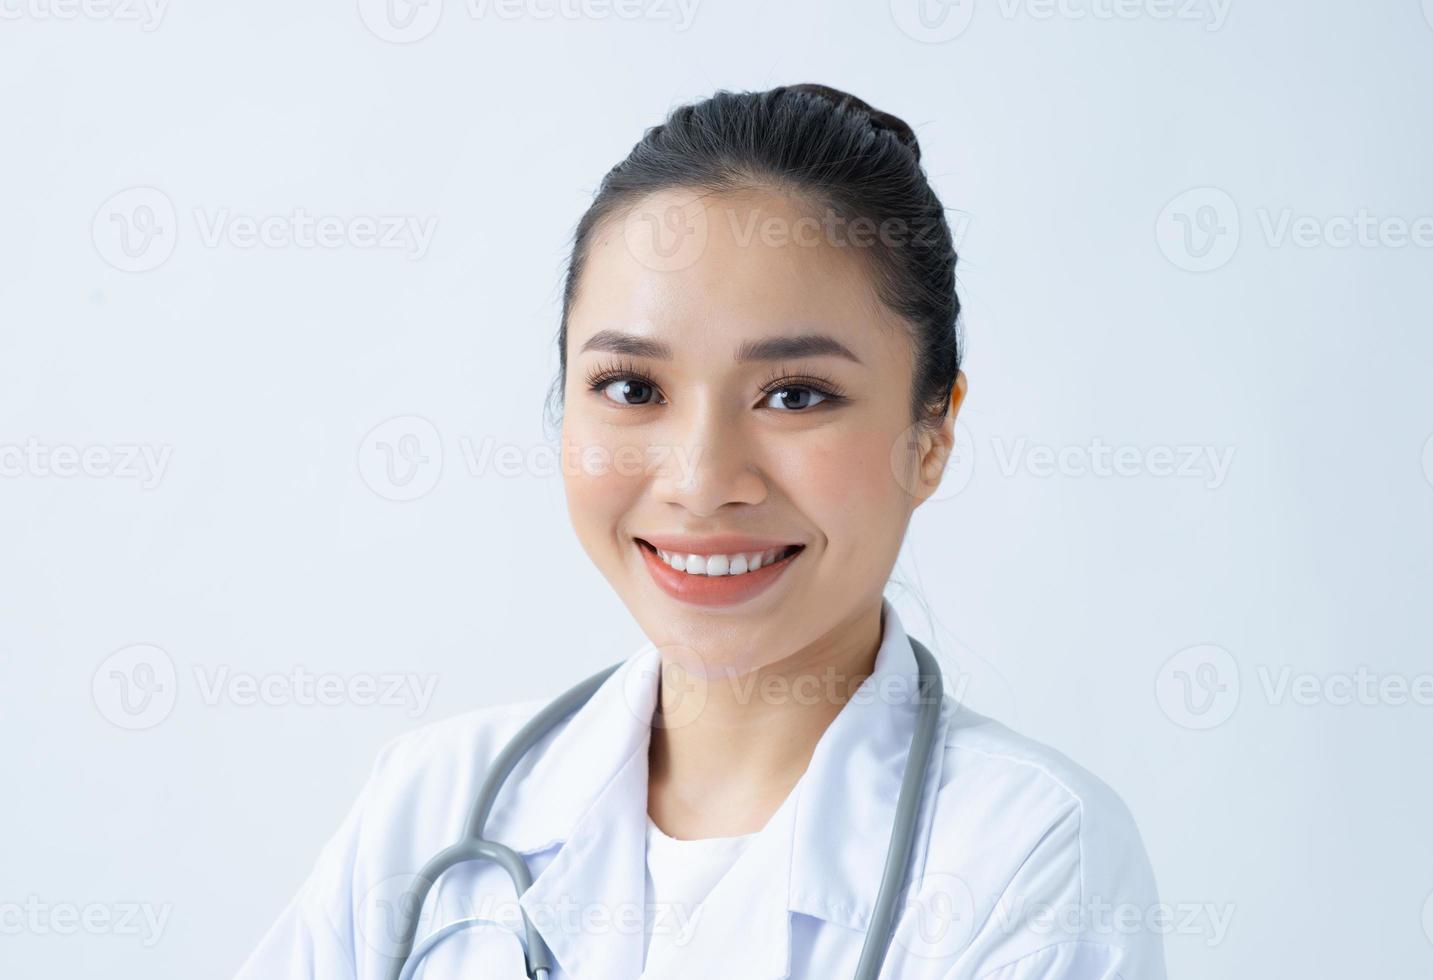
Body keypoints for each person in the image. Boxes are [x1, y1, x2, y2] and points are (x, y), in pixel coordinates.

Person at [234, 83, 1167, 979]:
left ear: (932, 435)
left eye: (795, 395)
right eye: (632, 389)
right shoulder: (431, 805)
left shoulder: (1023, 857)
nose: (701, 481)